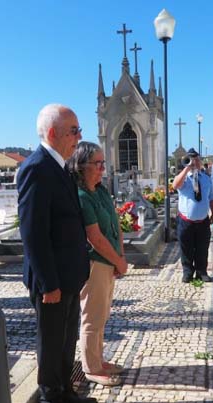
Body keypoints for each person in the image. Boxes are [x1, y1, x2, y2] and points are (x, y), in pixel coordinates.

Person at [17, 104, 95, 403]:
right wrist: (48, 283)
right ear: (53, 134)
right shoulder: (37, 168)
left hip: (68, 276)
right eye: (74, 131)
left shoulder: (59, 166)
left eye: (78, 130)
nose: (79, 137)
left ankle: (65, 392)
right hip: (51, 281)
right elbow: (33, 231)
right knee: (50, 344)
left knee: (66, 340)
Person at [67, 141, 127, 387]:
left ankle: (99, 359)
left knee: (103, 314)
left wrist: (120, 258)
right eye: (98, 163)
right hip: (94, 263)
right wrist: (117, 261)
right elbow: (96, 237)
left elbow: (114, 225)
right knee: (92, 315)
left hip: (110, 261)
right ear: (82, 166)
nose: (102, 168)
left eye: (104, 163)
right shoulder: (81, 196)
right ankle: (91, 367)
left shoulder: (100, 190)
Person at [173, 148, 213, 283]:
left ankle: (201, 271)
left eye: (197, 160)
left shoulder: (206, 179)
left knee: (202, 247)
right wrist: (186, 169)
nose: (195, 163)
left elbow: (212, 198)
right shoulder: (184, 178)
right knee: (186, 248)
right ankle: (187, 272)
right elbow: (175, 185)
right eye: (192, 160)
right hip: (186, 222)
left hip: (202, 221)